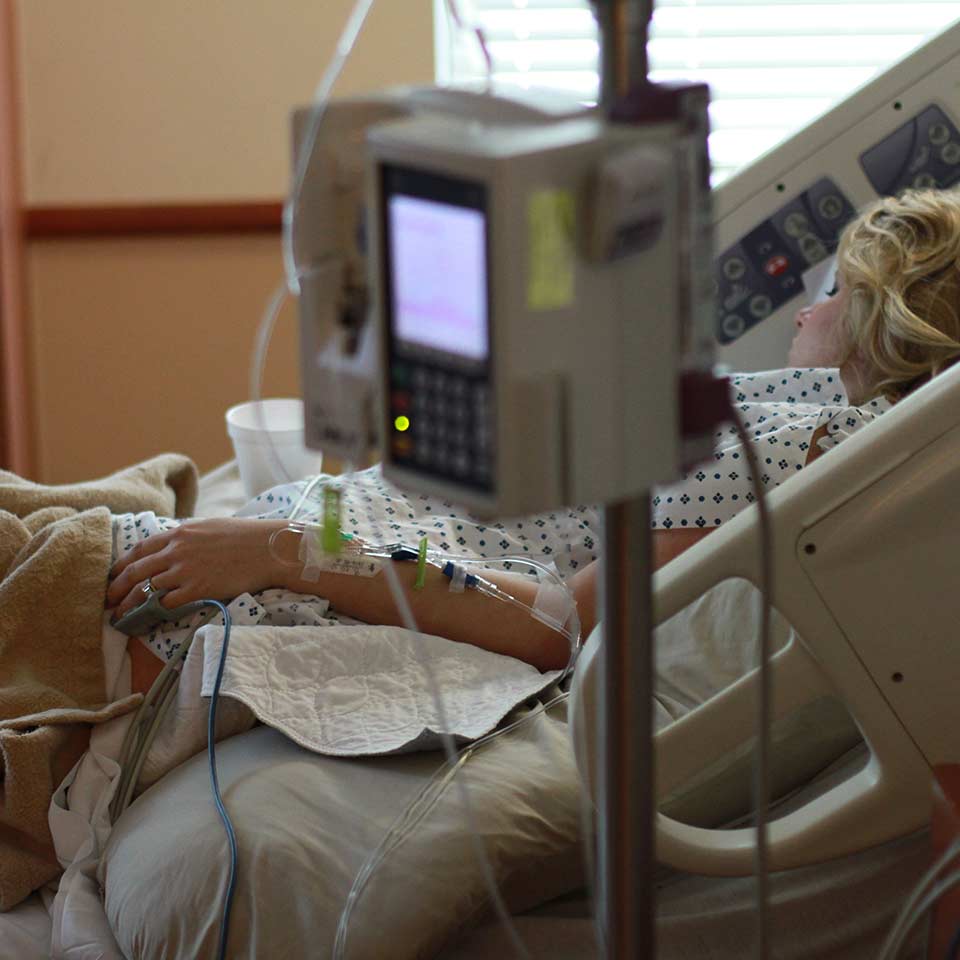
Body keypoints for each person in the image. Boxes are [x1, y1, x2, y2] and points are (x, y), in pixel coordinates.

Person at [106, 187, 960, 683]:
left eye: (839, 290)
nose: (809, 305)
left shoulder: (795, 444)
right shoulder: (777, 414)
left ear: (897, 322)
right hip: (345, 523)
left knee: (64, 585)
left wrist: (288, 551)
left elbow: (559, 625)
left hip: (321, 570)